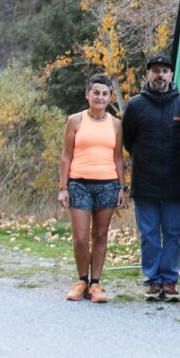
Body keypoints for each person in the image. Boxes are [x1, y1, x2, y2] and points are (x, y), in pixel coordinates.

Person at [122, 54, 180, 302]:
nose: (160, 75)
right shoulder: (135, 105)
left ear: (171, 75)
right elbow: (128, 141)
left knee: (173, 233)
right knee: (149, 234)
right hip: (145, 182)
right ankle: (152, 280)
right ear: (148, 74)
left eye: (164, 71)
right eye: (155, 71)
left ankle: (170, 281)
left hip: (175, 181)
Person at [58, 73, 126, 303]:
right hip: (79, 184)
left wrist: (121, 187)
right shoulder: (75, 121)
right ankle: (82, 281)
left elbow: (118, 158)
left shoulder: (116, 124)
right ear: (87, 95)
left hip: (107, 184)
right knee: (80, 237)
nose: (100, 97)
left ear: (109, 97)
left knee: (100, 235)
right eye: (95, 93)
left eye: (105, 93)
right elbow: (66, 156)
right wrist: (63, 187)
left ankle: (96, 284)